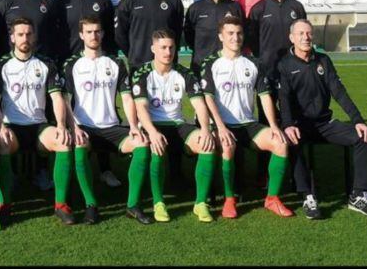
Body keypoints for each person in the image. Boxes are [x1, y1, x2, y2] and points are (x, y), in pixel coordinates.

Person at [277, 19, 367, 219]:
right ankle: (308, 197)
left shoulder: (323, 61)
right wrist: (288, 125)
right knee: (292, 141)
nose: (305, 37)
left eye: (308, 33)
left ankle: (359, 196)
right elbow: (284, 100)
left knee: (363, 137)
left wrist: (358, 120)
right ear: (291, 38)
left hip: (325, 124)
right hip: (300, 125)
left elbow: (339, 92)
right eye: (300, 34)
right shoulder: (284, 64)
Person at [200, 16, 293, 220]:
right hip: (223, 125)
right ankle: (229, 199)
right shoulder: (210, 63)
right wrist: (220, 127)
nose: (236, 37)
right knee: (227, 146)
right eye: (230, 33)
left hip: (248, 124)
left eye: (239, 33)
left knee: (280, 143)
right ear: (221, 36)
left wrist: (274, 126)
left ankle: (272, 198)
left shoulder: (254, 63)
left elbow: (264, 95)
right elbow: (207, 99)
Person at [62, 17, 152, 225]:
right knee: (79, 145)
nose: (94, 35)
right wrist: (73, 126)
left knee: (142, 143)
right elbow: (65, 100)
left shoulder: (116, 63)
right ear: (81, 35)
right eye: (89, 32)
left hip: (112, 127)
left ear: (102, 34)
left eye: (97, 31)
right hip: (84, 127)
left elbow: (127, 97)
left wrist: (133, 126)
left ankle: (133, 205)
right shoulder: (72, 64)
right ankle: (91, 205)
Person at [0, 18, 73, 225]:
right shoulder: (1, 65)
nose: (25, 38)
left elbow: (57, 98)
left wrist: (61, 126)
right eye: (20, 34)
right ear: (12, 38)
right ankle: (5, 204)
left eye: (28, 34)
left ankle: (61, 204)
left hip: (39, 126)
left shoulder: (46, 64)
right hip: (12, 126)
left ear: (34, 36)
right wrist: (0, 126)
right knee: (1, 143)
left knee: (63, 141)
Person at [129, 30, 217, 223]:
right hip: (154, 125)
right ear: (153, 49)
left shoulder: (184, 73)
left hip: (178, 124)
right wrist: (152, 132)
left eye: (171, 47)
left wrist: (205, 129)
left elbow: (199, 104)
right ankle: (159, 202)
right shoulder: (142, 73)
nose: (167, 52)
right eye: (163, 47)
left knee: (207, 145)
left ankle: (200, 203)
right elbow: (141, 108)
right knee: (156, 147)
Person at [246, 0, 306, 77]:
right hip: (268, 67)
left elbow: (303, 34)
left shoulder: (296, 7)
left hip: (294, 65)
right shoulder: (258, 9)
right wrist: (264, 56)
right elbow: (251, 39)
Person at [183, 0, 243, 74]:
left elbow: (243, 34)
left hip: (230, 66)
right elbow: (189, 37)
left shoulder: (235, 7)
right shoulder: (195, 8)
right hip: (202, 66)